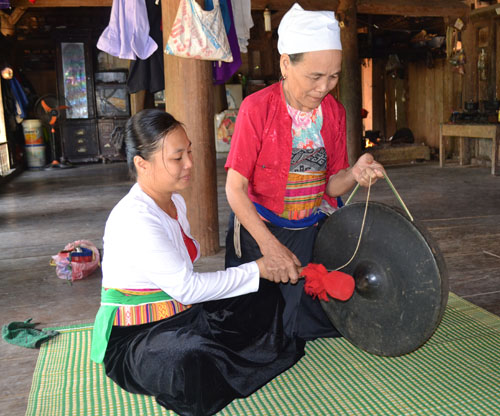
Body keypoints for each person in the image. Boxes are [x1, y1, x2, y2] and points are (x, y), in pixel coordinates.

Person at [90, 109, 305, 416]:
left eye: (188, 152)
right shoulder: (135, 218)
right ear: (142, 164)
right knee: (187, 357)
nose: (189, 163)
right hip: (137, 338)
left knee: (262, 294)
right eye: (177, 157)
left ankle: (221, 359)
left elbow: (190, 292)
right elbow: (188, 288)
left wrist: (257, 275)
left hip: (184, 314)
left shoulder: (175, 201)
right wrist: (258, 267)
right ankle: (215, 361)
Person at [225, 3, 385, 341]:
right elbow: (235, 189)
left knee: (320, 323)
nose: (324, 87)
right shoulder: (257, 109)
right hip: (261, 233)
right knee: (258, 331)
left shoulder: (334, 113)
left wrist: (354, 173)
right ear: (286, 64)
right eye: (315, 76)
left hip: (308, 233)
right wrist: (270, 247)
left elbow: (332, 185)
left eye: (333, 76)